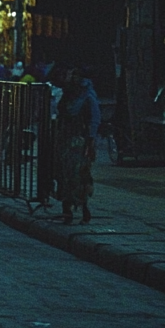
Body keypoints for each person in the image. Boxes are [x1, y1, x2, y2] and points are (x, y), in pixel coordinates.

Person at [54, 67, 101, 224]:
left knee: (79, 176)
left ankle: (82, 208)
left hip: (79, 141)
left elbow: (94, 118)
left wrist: (91, 140)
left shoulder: (87, 96)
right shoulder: (68, 95)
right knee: (64, 175)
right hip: (65, 140)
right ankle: (67, 209)